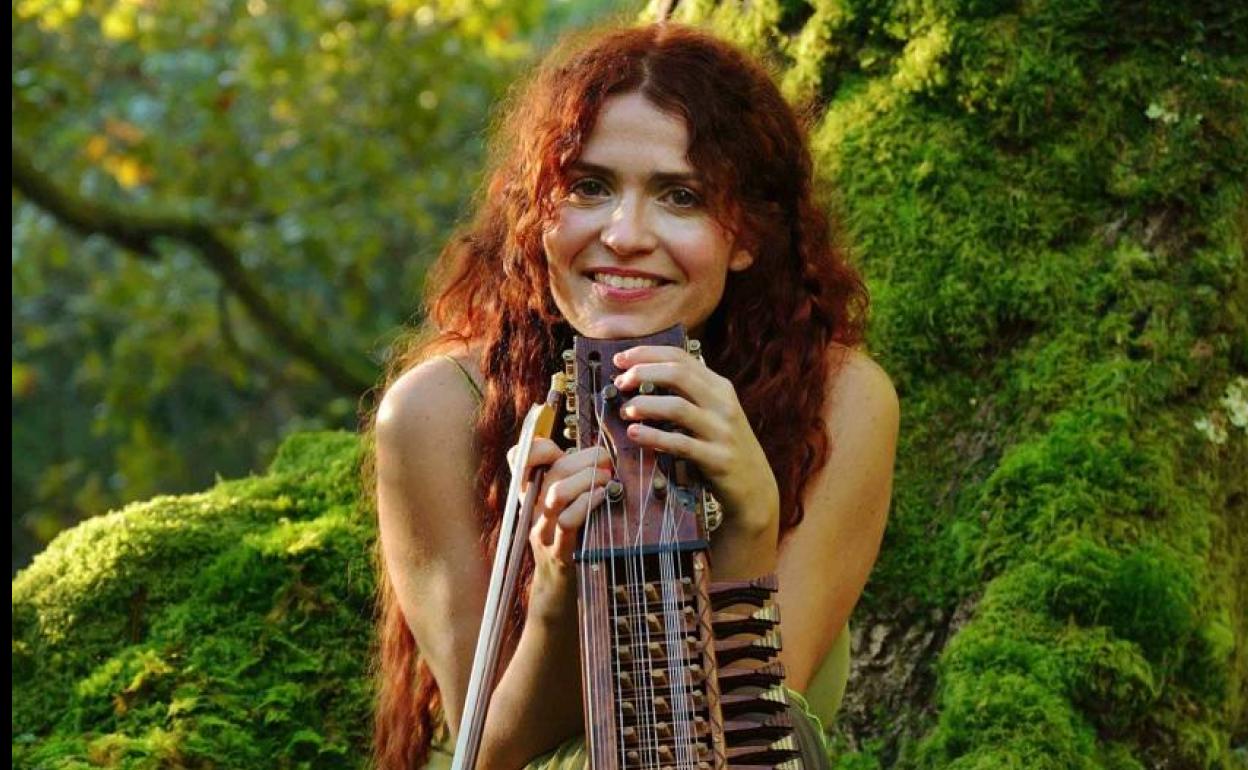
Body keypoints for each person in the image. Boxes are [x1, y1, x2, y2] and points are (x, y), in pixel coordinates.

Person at [365, 20, 899, 770]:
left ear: (746, 235)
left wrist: (749, 519)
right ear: (536, 212)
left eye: (680, 196)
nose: (623, 234)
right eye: (589, 186)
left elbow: (748, 743)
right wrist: (555, 584)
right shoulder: (439, 410)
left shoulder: (838, 401)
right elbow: (485, 753)